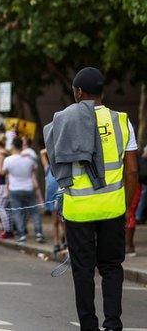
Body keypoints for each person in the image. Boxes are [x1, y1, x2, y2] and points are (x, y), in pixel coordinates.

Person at [48, 67, 139, 331]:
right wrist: (124, 205)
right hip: (113, 208)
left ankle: (88, 325)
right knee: (112, 267)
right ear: (103, 92)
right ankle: (113, 324)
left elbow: (55, 163)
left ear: (78, 92)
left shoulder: (64, 120)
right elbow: (132, 171)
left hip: (78, 209)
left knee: (83, 270)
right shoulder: (121, 121)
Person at [0, 137, 44, 243]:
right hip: (29, 187)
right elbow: (34, 169)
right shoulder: (29, 159)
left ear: (13, 146)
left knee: (17, 212)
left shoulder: (8, 160)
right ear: (21, 146)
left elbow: (3, 172)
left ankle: (22, 235)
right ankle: (39, 233)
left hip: (14, 189)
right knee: (34, 212)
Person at [41, 146, 65, 253]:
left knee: (64, 221)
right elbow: (42, 152)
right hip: (52, 199)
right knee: (55, 221)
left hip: (62, 198)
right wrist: (53, 146)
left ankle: (65, 241)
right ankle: (56, 242)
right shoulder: (48, 168)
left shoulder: (63, 168)